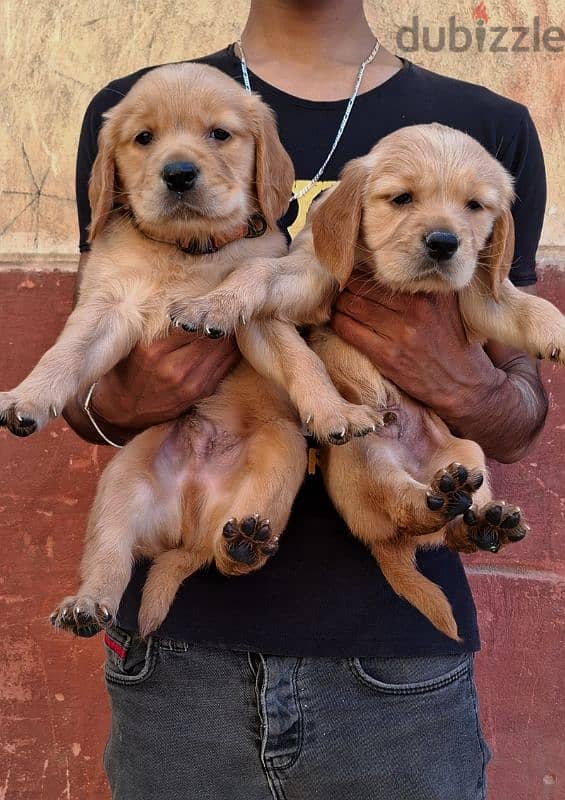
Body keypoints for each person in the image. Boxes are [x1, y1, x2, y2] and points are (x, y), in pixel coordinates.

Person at [64, 2, 548, 798]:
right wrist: (136, 395)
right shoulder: (144, 110)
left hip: (396, 676)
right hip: (180, 665)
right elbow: (93, 389)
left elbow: (522, 421)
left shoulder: (485, 127)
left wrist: (456, 380)